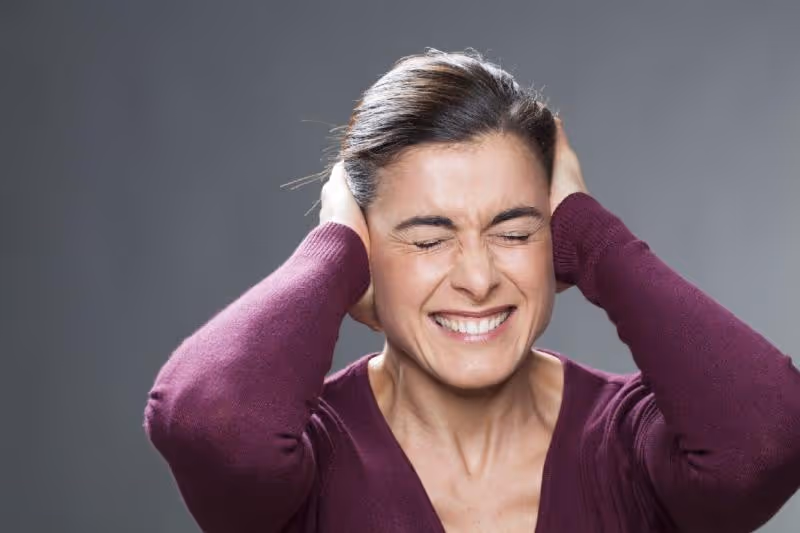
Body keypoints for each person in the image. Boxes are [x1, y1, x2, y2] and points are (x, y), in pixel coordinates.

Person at [143, 49, 800, 532]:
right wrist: (334, 249)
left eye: (514, 232)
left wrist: (595, 238)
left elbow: (768, 436)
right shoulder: (309, 458)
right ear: (368, 251)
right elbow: (204, 422)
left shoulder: (628, 444)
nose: (479, 278)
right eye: (428, 240)